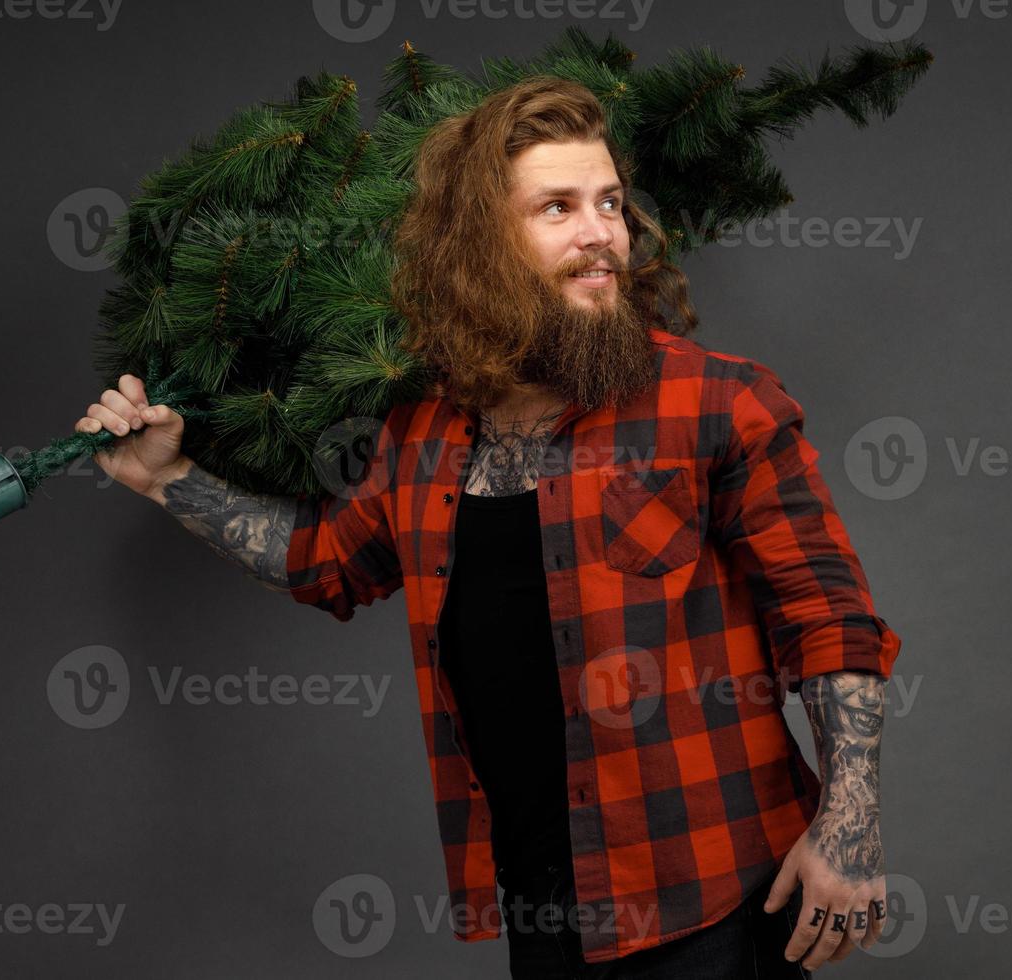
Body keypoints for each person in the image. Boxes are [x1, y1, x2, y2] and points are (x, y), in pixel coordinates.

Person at [74, 76, 900, 977]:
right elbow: (321, 563)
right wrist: (170, 481)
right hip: (544, 912)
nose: (603, 236)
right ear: (481, 246)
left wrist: (849, 828)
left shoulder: (720, 402)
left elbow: (831, 623)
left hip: (715, 901)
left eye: (612, 204)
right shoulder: (421, 431)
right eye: (558, 207)